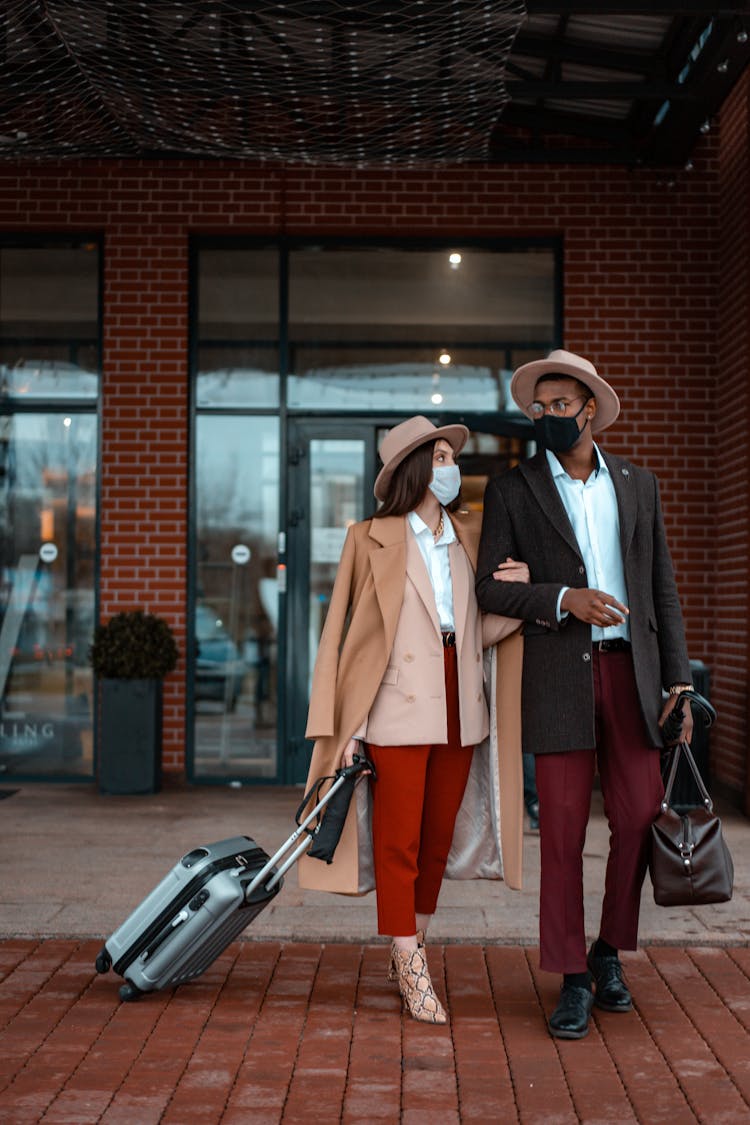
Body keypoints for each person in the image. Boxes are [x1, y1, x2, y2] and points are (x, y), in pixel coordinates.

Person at [476, 349, 694, 1041]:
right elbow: (488, 585)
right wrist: (564, 596)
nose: (547, 417)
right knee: (563, 832)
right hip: (559, 673)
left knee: (638, 817)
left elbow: (662, 585)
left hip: (634, 673)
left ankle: (608, 949)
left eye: (560, 406)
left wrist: (680, 680)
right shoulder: (513, 489)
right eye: (539, 408)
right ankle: (572, 975)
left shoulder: (638, 485)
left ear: (589, 409)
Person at [299, 415, 527, 1025]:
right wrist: (344, 727)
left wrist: (524, 596)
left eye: (453, 457)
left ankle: (411, 945)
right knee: (396, 843)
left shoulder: (472, 535)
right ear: (416, 467)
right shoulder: (368, 536)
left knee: (436, 842)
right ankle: (410, 962)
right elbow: (342, 637)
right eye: (443, 456)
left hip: (461, 703)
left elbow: (481, 628)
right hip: (395, 705)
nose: (452, 468)